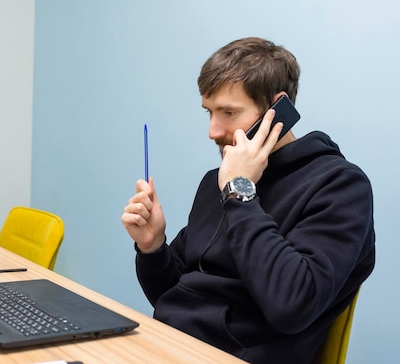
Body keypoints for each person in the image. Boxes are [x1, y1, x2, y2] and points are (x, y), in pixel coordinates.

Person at [121, 37, 375, 364]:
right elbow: (173, 297)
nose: (213, 130)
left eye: (228, 112)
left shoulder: (340, 186)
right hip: (171, 348)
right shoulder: (221, 180)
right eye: (209, 112)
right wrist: (153, 247)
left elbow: (291, 306)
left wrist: (240, 192)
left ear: (277, 109)